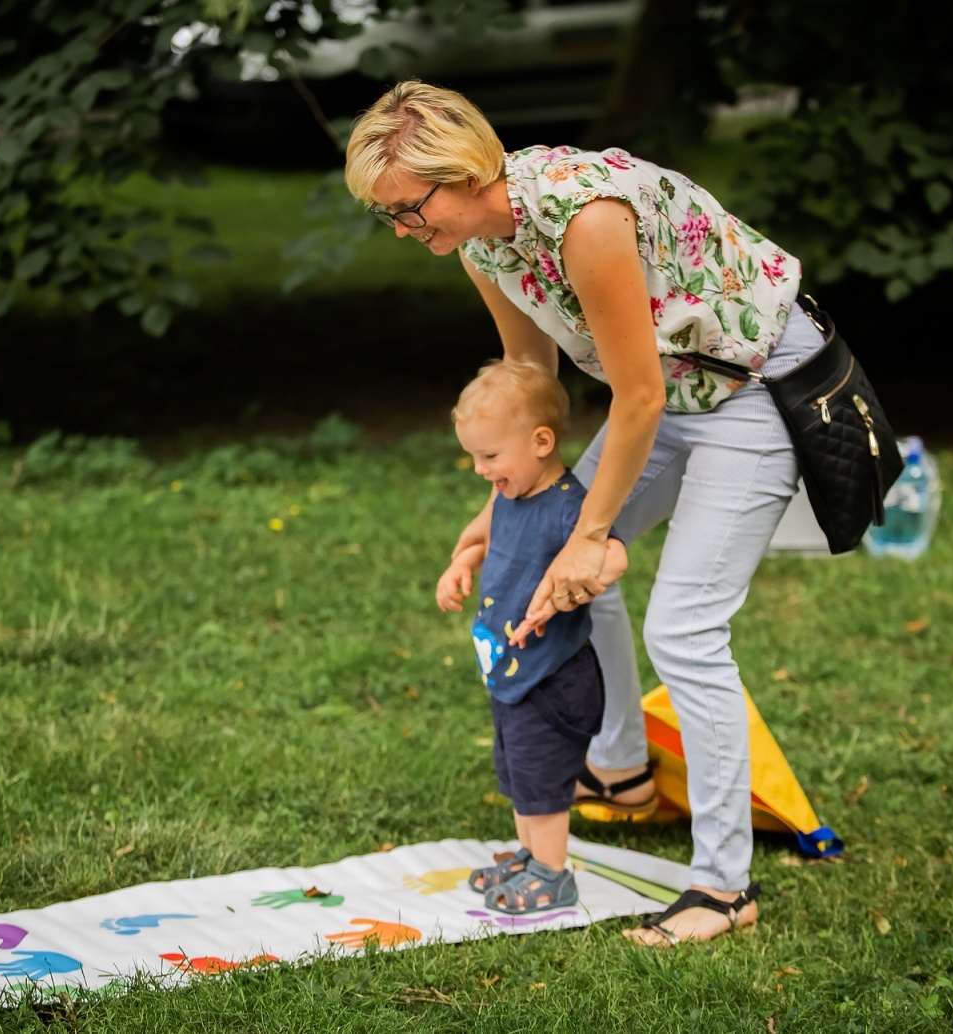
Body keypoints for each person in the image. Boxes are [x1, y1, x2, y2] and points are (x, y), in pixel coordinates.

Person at [346, 81, 826, 945]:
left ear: (465, 172)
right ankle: (619, 770)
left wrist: (591, 533)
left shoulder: (586, 219)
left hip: (756, 388)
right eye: (389, 215)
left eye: (411, 209)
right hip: (674, 390)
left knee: (683, 628)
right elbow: (530, 386)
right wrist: (506, 504)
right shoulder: (481, 244)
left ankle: (724, 887)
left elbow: (637, 397)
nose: (405, 231)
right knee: (558, 554)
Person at [437, 360, 628, 914]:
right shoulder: (511, 497)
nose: (480, 470)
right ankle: (530, 857)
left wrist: (585, 579)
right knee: (519, 771)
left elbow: (614, 554)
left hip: (553, 676)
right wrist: (462, 564)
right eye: (475, 457)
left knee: (542, 780)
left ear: (541, 442)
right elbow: (488, 542)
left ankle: (552, 873)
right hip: (512, 674)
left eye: (490, 457)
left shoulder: (571, 507)